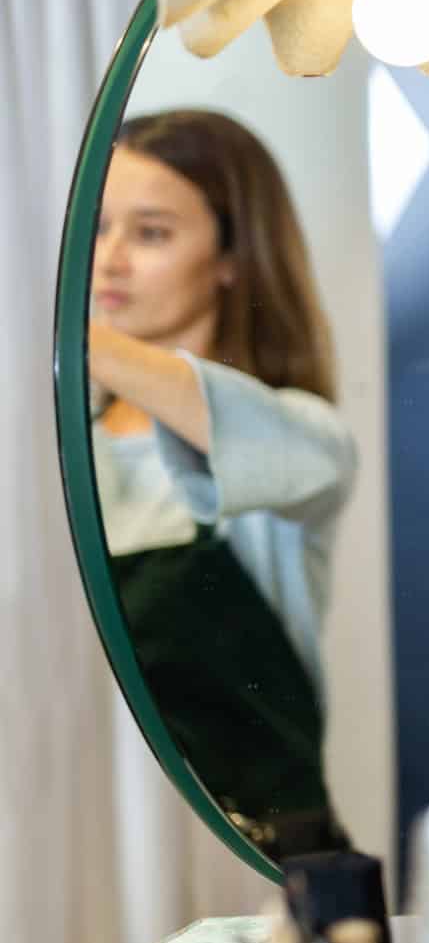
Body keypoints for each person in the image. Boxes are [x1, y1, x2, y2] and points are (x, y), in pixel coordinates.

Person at [91, 109, 355, 854]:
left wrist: (57, 332)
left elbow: (221, 423)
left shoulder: (303, 437)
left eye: (150, 234)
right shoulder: (66, 452)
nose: (108, 261)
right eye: (99, 228)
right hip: (116, 849)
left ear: (233, 255)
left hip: (262, 859)